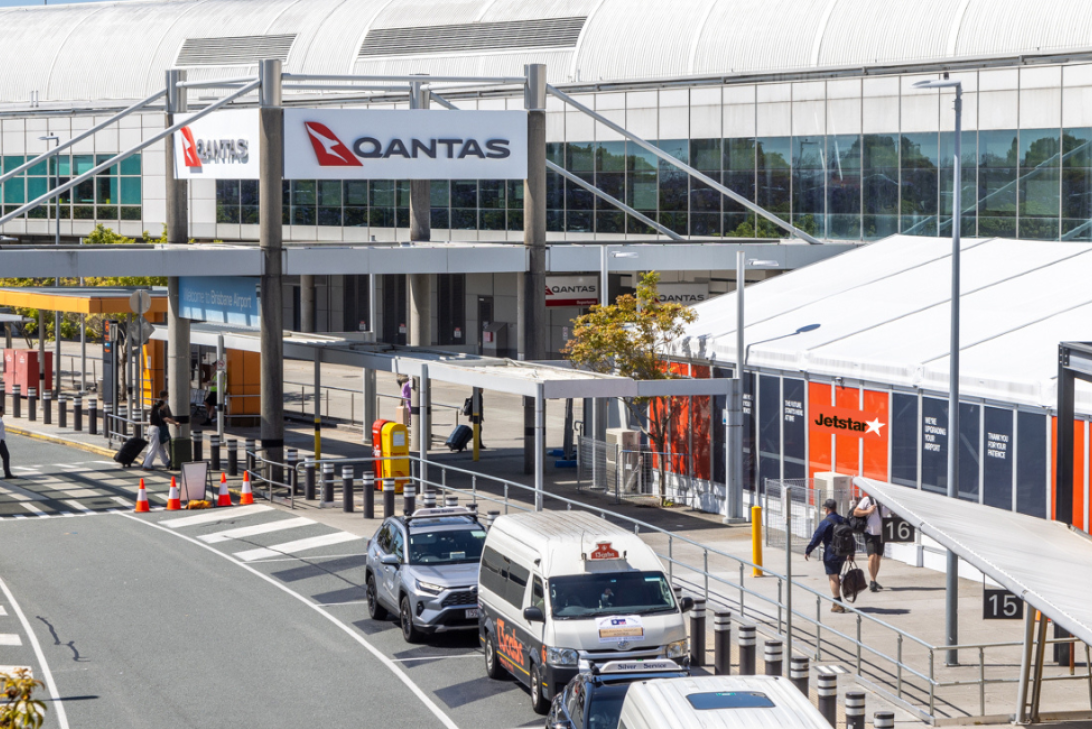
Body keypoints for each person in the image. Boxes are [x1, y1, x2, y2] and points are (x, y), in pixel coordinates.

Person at [805, 498, 849, 612]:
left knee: (833, 577)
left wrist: (808, 550)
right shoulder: (844, 520)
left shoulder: (825, 522)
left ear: (827, 509)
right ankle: (838, 599)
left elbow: (817, 537)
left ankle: (837, 603)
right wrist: (851, 553)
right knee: (837, 575)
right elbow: (850, 537)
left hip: (831, 553)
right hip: (843, 553)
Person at [854, 491, 891, 592]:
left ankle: (874, 580)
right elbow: (856, 512)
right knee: (872, 557)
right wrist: (868, 512)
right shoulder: (867, 500)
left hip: (882, 533)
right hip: (869, 532)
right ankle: (872, 581)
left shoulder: (886, 502)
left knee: (878, 558)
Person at [143, 390, 178, 471]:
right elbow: (166, 419)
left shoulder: (154, 407)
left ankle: (166, 462)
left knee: (160, 447)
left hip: (152, 429)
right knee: (153, 448)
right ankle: (146, 465)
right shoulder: (160, 410)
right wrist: (175, 423)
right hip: (156, 430)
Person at [0, 405, 13, 479]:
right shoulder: (0, 421)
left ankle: (7, 473)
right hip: (0, 442)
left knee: (6, 456)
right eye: (2, 411)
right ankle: (7, 474)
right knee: (6, 456)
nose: (3, 413)